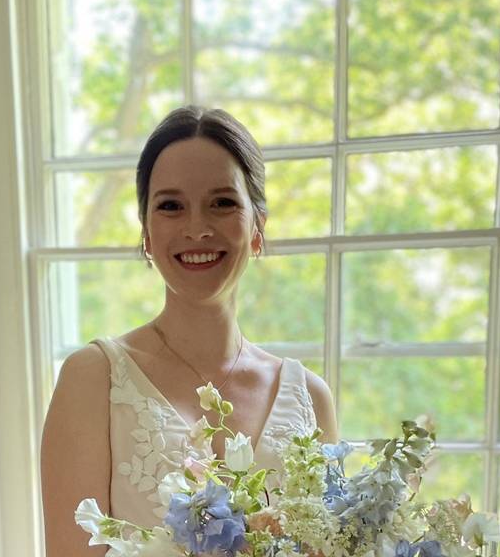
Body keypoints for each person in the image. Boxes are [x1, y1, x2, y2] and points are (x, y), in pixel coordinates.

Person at [40, 106, 339, 555]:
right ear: (146, 230)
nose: (197, 228)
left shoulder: (310, 398)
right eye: (171, 206)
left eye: (222, 203)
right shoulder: (92, 380)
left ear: (258, 227)